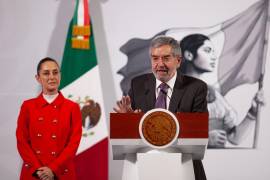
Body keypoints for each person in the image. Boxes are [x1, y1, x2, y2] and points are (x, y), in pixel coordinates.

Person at [114, 36, 208, 180]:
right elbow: (129, 137)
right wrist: (128, 120)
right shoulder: (137, 84)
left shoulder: (196, 87)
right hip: (143, 169)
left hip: (184, 168)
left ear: (178, 61)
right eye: (155, 58)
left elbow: (198, 133)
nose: (160, 64)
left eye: (166, 58)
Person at [179, 34, 264, 148]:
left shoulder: (212, 93)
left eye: (213, 52)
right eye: (207, 50)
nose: (214, 57)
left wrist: (253, 112)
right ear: (189, 55)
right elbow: (163, 138)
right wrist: (205, 140)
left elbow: (234, 138)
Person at [16, 57, 82, 180]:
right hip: (34, 173)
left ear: (60, 75)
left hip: (62, 173)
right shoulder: (27, 106)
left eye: (55, 72)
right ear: (38, 78)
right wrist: (38, 169)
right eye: (46, 73)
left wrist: (53, 168)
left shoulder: (72, 107)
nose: (51, 77)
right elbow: (22, 141)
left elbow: (74, 143)